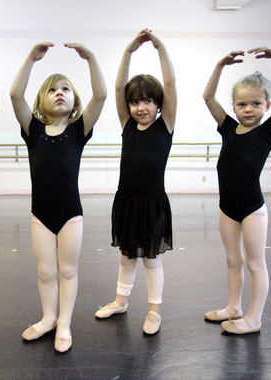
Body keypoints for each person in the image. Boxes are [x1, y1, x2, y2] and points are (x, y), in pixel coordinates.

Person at [10, 42, 106, 352]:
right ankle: (48, 318)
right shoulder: (33, 130)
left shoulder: (79, 130)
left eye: (65, 88)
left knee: (67, 270)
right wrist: (31, 59)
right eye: (52, 90)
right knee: (45, 270)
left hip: (70, 215)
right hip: (41, 214)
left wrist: (90, 58)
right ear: (41, 100)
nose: (59, 93)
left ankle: (64, 323)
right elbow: (15, 95)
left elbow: (102, 95)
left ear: (75, 99)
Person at [203, 47, 271, 334]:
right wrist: (219, 64)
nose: (248, 109)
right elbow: (208, 97)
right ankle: (234, 307)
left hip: (253, 209)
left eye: (255, 103)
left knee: (256, 263)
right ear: (234, 107)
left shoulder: (268, 130)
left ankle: (254, 319)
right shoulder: (228, 128)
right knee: (233, 260)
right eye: (242, 104)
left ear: (267, 105)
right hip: (226, 208)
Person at [94, 29, 176, 335]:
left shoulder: (164, 126)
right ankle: (121, 301)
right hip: (126, 200)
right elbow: (118, 87)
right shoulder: (127, 126)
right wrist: (128, 51)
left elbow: (170, 84)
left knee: (151, 261)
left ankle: (154, 310)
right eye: (135, 102)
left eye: (148, 101)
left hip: (153, 203)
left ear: (158, 105)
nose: (141, 107)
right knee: (126, 256)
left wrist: (159, 48)